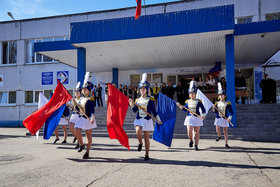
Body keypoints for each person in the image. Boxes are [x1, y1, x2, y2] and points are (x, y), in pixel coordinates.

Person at [129, 73, 162, 161]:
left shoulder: (150, 99)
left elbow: (154, 111)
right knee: (137, 130)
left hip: (147, 120)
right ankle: (140, 143)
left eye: (144, 89)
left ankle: (147, 154)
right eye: (141, 89)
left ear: (147, 89)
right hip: (139, 119)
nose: (142, 90)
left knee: (146, 138)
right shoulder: (137, 100)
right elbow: (135, 111)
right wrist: (132, 105)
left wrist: (158, 119)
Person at [176, 81, 206, 151]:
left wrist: (203, 115)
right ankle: (191, 140)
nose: (192, 95)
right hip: (189, 117)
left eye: (193, 93)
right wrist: (180, 106)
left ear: (195, 94)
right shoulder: (187, 101)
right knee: (189, 131)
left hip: (197, 118)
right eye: (190, 93)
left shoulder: (199, 101)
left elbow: (203, 110)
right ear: (189, 94)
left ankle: (196, 145)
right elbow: (185, 110)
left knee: (196, 132)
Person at [74, 72, 97, 159]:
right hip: (81, 118)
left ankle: (87, 152)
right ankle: (82, 144)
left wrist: (92, 118)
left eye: (85, 89)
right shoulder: (80, 98)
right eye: (83, 89)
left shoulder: (90, 99)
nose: (83, 90)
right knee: (76, 130)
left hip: (88, 119)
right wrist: (74, 104)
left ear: (89, 90)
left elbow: (92, 110)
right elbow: (77, 109)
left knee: (88, 135)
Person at [212, 82, 233, 148]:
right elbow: (215, 112)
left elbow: (231, 111)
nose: (221, 96)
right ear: (218, 96)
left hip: (225, 118)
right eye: (220, 95)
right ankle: (219, 136)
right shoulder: (216, 103)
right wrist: (213, 108)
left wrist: (229, 117)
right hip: (218, 118)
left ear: (224, 96)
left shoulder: (228, 103)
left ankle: (226, 143)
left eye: (222, 95)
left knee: (225, 131)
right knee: (217, 128)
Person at [68, 82, 81, 148]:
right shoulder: (74, 99)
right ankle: (76, 137)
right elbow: (74, 107)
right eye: (76, 92)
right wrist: (69, 105)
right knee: (70, 126)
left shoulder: (81, 99)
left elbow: (81, 108)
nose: (77, 93)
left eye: (78, 92)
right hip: (73, 114)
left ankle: (78, 144)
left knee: (77, 129)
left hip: (79, 115)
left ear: (80, 93)